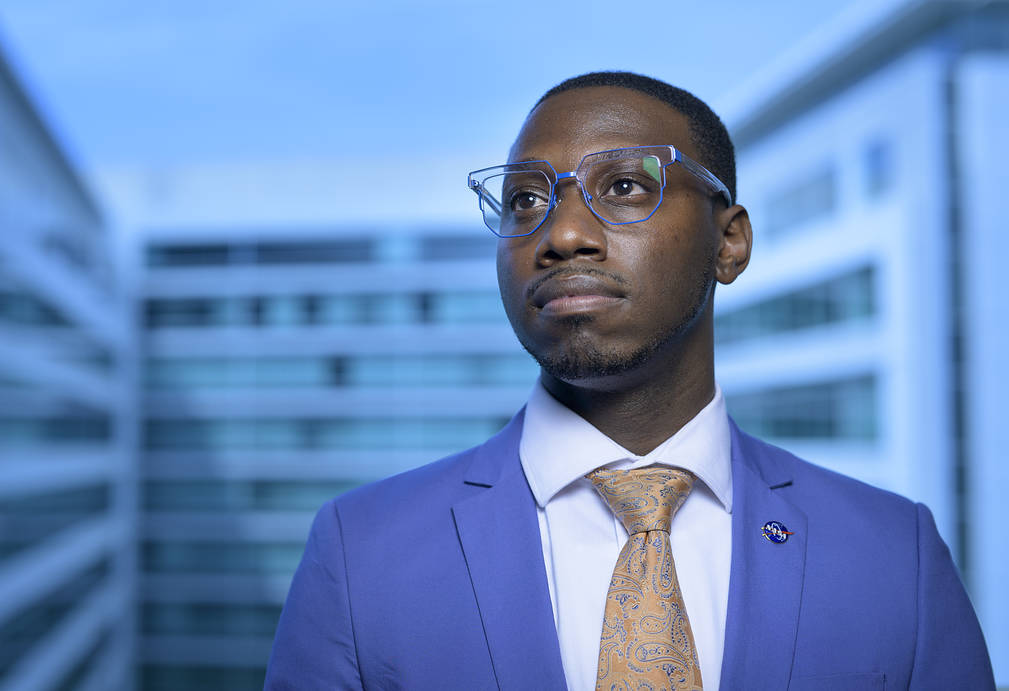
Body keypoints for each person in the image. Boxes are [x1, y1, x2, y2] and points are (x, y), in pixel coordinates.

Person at [264, 71, 994, 690]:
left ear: (729, 241)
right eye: (525, 200)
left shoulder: (894, 555)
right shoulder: (360, 552)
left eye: (621, 185)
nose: (561, 233)